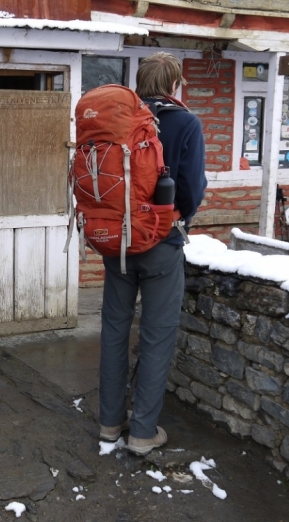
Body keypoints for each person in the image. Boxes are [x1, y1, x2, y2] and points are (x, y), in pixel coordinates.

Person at [98, 52, 207, 455]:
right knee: (156, 336)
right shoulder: (186, 122)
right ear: (175, 85)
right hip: (162, 242)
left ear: (138, 83)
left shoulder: (118, 118)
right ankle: (143, 432)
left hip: (117, 243)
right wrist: (182, 217)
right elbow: (192, 190)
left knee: (113, 330)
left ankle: (110, 423)